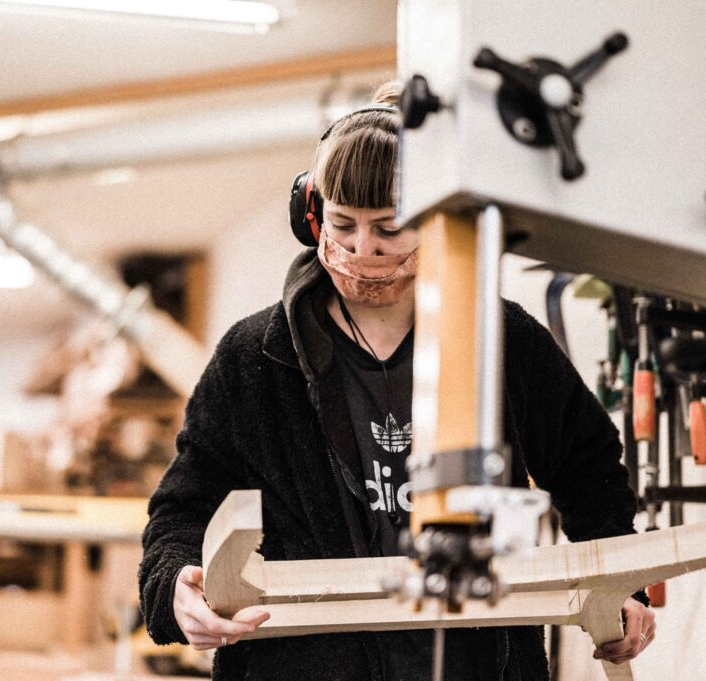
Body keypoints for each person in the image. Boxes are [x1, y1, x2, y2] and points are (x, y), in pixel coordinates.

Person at [138, 82, 655, 681]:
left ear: (433, 220)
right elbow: (182, 508)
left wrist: (623, 587)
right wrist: (176, 585)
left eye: (389, 227)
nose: (364, 250)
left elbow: (588, 472)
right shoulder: (255, 357)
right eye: (344, 224)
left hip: (478, 665)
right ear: (311, 214)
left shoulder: (502, 341)